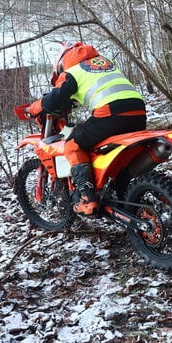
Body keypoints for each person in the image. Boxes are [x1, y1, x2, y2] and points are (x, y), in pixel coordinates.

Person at [27, 41, 147, 215]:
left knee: (72, 145)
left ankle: (87, 198)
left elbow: (53, 100)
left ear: (62, 62)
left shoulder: (72, 72)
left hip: (111, 114)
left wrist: (33, 109)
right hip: (138, 111)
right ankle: (121, 190)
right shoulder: (104, 64)